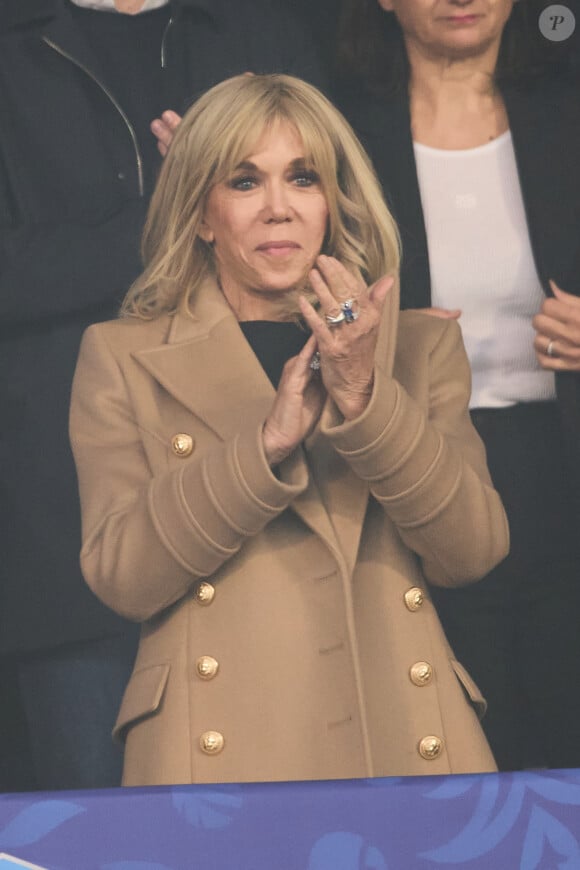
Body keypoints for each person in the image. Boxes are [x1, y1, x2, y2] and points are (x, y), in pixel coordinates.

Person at [69, 73, 508, 786]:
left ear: (332, 204)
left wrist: (368, 400)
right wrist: (263, 450)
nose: (279, 209)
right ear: (203, 214)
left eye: (302, 179)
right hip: (212, 771)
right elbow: (122, 577)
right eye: (245, 182)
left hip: (401, 738)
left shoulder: (421, 347)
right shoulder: (121, 355)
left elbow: (474, 551)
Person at [0, 0, 325, 791]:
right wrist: (186, 207)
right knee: (101, 824)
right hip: (63, 519)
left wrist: (243, 193)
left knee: (290, 825)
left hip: (270, 494)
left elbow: (326, 219)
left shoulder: (261, 27)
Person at [336, 0, 580, 771]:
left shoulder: (564, 105)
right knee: (471, 736)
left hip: (559, 461)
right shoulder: (343, 130)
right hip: (421, 467)